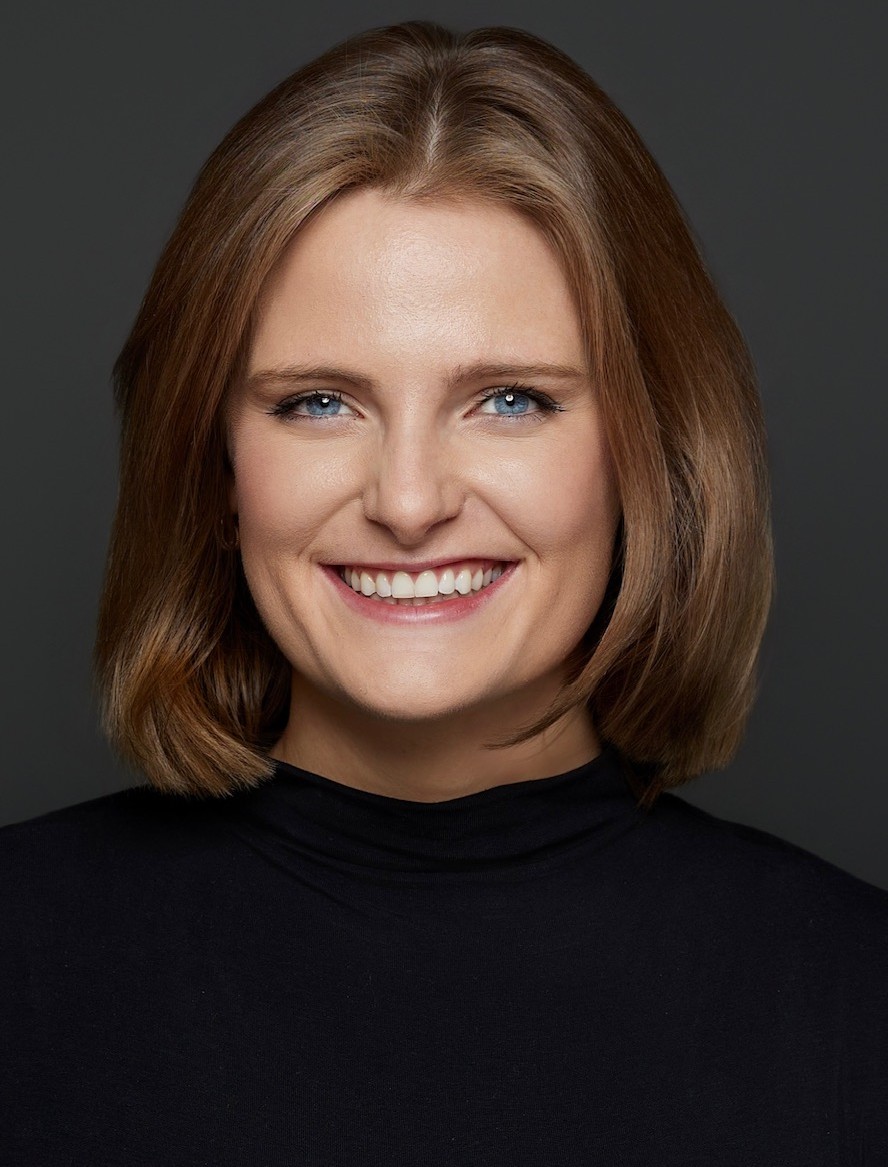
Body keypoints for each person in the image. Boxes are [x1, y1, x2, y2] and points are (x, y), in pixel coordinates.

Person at [2, 20, 886, 1164]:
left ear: (650, 455)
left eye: (510, 400)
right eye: (319, 403)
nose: (409, 502)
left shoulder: (853, 1001)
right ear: (216, 467)